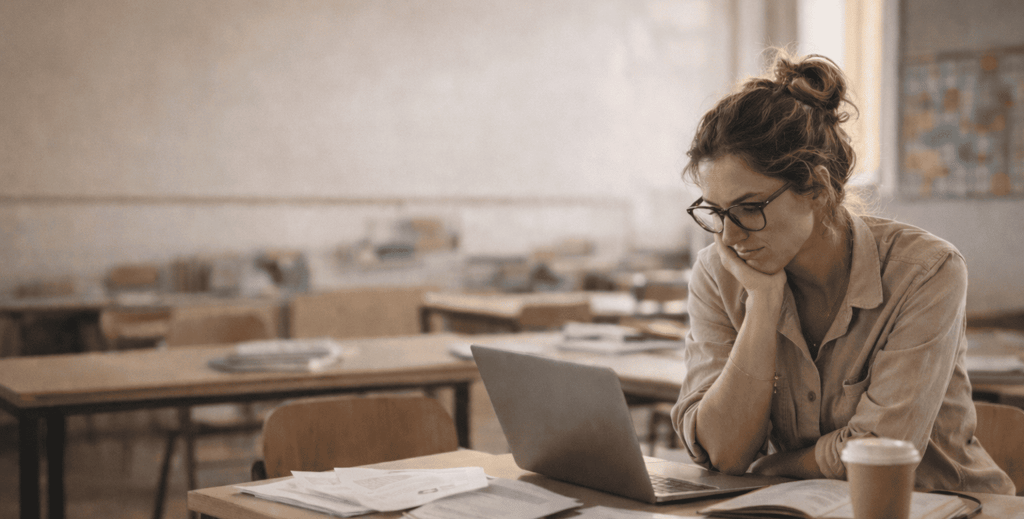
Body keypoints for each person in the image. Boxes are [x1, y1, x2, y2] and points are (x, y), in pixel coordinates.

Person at [669, 49, 1014, 494]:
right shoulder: (721, 274)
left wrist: (778, 466)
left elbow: (882, 449)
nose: (729, 238)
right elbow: (723, 453)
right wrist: (764, 305)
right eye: (716, 212)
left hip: (943, 505)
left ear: (815, 188)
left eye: (749, 208)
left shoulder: (928, 272)